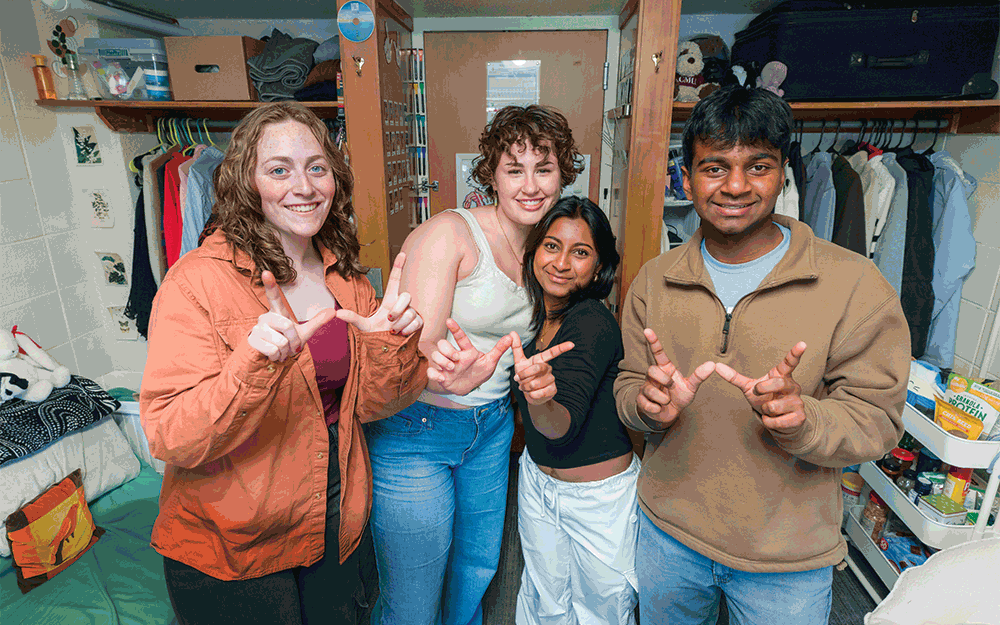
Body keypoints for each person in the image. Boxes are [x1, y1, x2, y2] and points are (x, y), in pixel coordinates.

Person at [613, 85, 910, 625]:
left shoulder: (853, 284)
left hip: (788, 559)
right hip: (668, 537)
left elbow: (880, 420)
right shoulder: (655, 280)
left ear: (782, 174)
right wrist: (646, 405)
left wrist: (805, 418)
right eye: (714, 167)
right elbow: (628, 383)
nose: (734, 186)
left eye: (758, 167)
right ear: (686, 176)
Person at [140, 101, 427, 625]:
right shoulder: (197, 282)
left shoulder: (347, 277)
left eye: (317, 167)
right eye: (279, 169)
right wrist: (252, 366)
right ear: (246, 184)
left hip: (335, 519)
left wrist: (391, 343)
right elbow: (169, 437)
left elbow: (376, 405)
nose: (305, 185)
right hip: (234, 546)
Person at [365, 104, 584, 625]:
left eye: (544, 168)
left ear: (563, 174)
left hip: (490, 430)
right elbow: (416, 346)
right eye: (515, 169)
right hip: (418, 430)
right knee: (414, 599)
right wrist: (441, 365)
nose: (530, 185)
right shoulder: (450, 235)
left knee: (475, 574)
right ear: (492, 175)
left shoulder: (545, 247)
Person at [508, 196, 639, 625]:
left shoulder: (591, 323)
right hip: (539, 485)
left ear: (598, 268)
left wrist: (540, 400)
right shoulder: (536, 317)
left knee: (600, 612)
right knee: (543, 600)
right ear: (534, 253)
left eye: (580, 252)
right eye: (551, 246)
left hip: (597, 501)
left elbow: (560, 425)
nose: (561, 263)